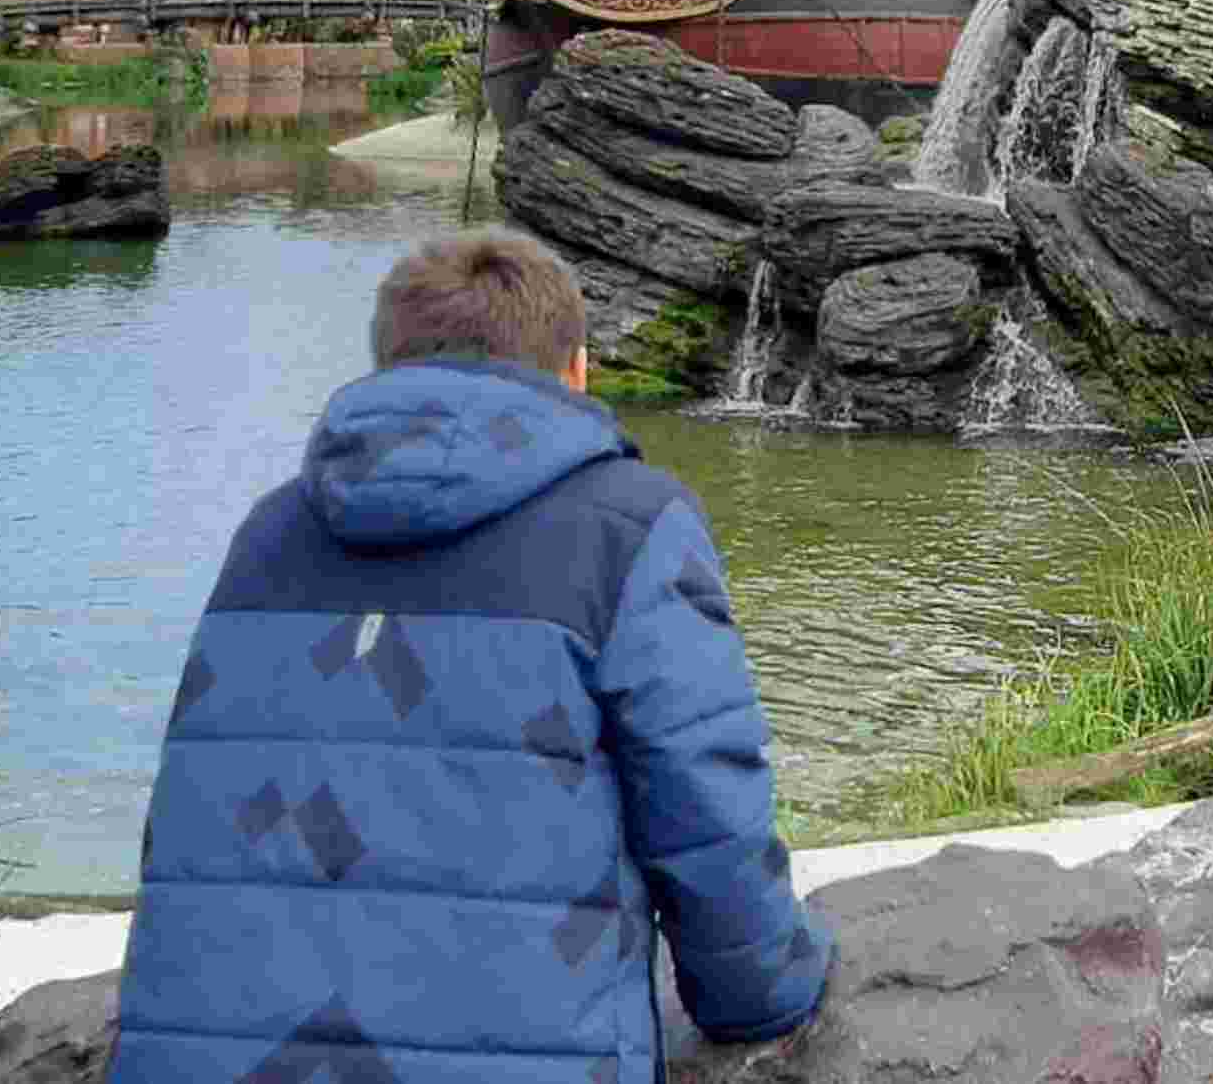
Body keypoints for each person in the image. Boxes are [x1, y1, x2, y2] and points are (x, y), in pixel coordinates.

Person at [110, 227, 834, 1080]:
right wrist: (766, 994)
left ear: (388, 365)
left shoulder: (267, 534)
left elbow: (188, 815)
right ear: (577, 372)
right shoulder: (631, 527)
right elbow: (707, 813)